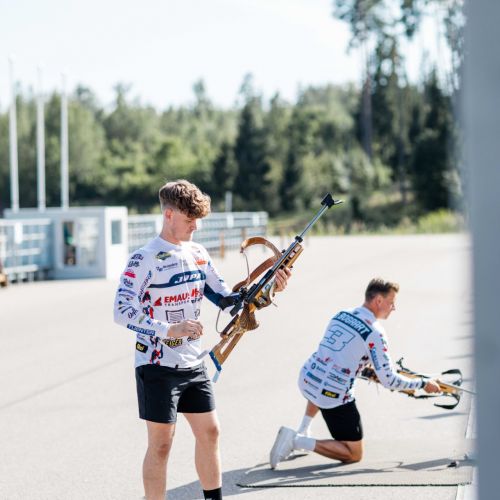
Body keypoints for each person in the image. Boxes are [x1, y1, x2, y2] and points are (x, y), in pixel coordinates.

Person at [113, 179, 290, 500]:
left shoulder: (198, 253)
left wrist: (269, 289)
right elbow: (122, 310)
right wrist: (169, 329)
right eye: (190, 219)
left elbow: (228, 300)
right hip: (156, 365)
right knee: (162, 444)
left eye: (198, 219)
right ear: (168, 215)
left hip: (193, 363)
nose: (196, 226)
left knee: (210, 432)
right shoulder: (145, 258)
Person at [269, 278, 441, 469]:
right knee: (354, 453)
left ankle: (304, 428)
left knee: (325, 375)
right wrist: (423, 383)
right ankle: (296, 441)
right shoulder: (375, 333)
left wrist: (365, 369)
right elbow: (389, 380)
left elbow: (340, 358)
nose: (394, 308)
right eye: (392, 302)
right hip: (332, 394)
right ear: (378, 301)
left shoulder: (341, 314)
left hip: (307, 378)